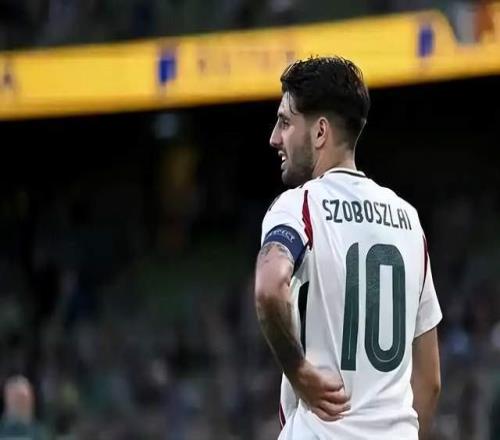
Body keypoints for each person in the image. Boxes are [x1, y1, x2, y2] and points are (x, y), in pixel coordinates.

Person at [254, 56, 442, 440]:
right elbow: (430, 381)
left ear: (320, 132)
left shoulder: (299, 207)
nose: (274, 137)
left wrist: (298, 370)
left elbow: (269, 288)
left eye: (285, 122)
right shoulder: (409, 222)